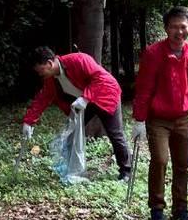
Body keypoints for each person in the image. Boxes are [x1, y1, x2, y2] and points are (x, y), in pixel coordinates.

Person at [132, 6, 188, 220]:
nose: (179, 31)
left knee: (182, 165)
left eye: (183, 26)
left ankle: (181, 209)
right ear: (166, 28)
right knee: (160, 160)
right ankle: (157, 210)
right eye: (174, 27)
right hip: (158, 119)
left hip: (183, 117)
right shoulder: (154, 53)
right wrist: (139, 120)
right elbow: (144, 88)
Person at [22, 47, 131, 178]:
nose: (40, 75)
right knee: (70, 134)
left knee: (115, 134)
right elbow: (43, 98)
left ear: (50, 63)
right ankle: (72, 170)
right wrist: (28, 122)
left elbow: (102, 79)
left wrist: (85, 98)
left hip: (106, 95)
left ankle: (126, 172)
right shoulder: (51, 79)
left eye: (41, 71)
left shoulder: (79, 60)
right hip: (84, 103)